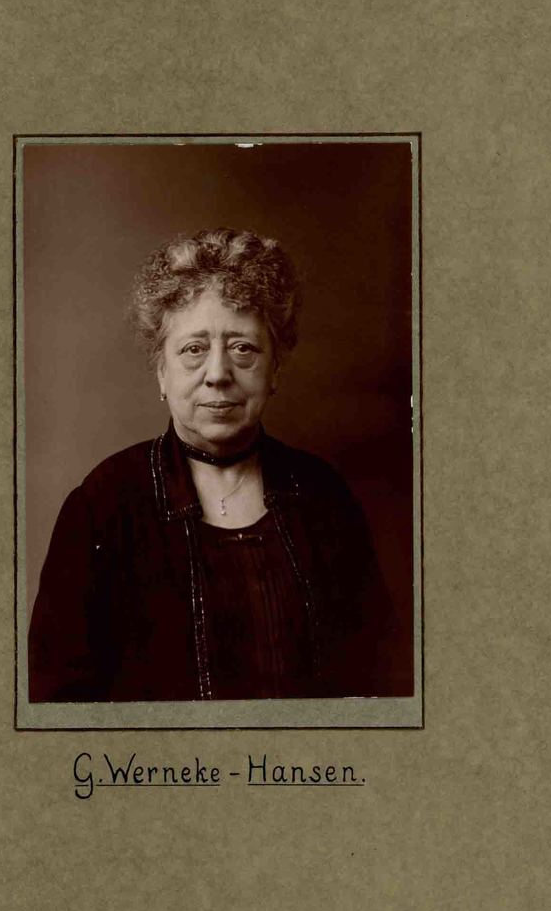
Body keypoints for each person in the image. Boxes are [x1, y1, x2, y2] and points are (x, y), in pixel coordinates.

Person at [28, 227, 406, 702]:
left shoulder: (324, 497)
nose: (218, 374)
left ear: (275, 368)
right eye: (194, 349)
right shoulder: (102, 507)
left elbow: (380, 680)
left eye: (243, 347)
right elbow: (57, 703)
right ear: (161, 372)